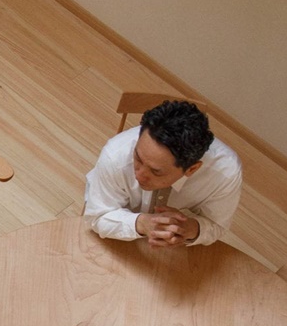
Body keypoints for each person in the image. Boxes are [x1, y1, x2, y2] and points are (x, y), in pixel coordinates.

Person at [84, 100, 241, 247]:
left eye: (155, 171)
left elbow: (217, 225)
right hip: (118, 235)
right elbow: (97, 216)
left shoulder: (226, 173)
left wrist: (191, 229)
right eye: (137, 158)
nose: (139, 175)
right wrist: (141, 223)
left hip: (178, 247)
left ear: (192, 169)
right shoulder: (116, 153)